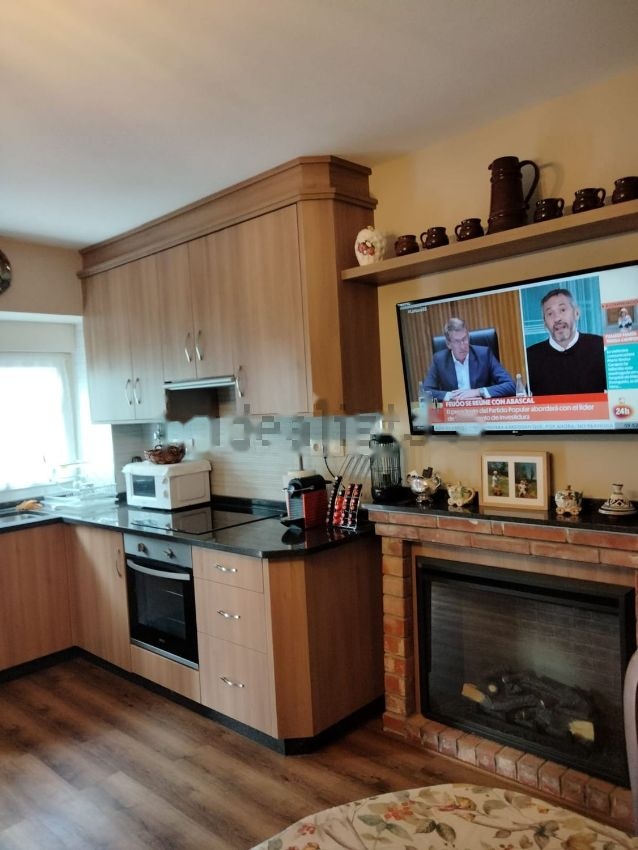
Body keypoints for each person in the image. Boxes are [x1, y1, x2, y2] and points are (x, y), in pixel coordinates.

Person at [526, 288, 606, 396]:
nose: (557, 319)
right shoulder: (531, 356)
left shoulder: (600, 346)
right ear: (545, 323)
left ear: (576, 313)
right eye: (550, 313)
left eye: (562, 310)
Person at [421, 317, 516, 401]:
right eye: (457, 342)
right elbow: (425, 392)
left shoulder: (484, 355)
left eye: (464, 339)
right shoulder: (439, 360)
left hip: (481, 410)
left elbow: (511, 385)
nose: (463, 346)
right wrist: (451, 396)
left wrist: (478, 392)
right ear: (448, 344)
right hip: (453, 411)